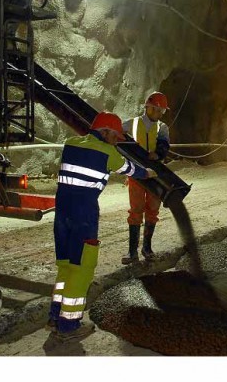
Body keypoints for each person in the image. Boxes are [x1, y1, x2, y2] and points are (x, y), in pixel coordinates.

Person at [47, 112, 152, 341]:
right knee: (81, 269)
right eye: (115, 135)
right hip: (84, 215)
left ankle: (55, 317)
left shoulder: (71, 143)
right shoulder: (108, 153)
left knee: (65, 267)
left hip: (62, 214)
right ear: (105, 131)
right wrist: (149, 172)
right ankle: (69, 326)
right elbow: (131, 170)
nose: (117, 140)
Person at [121, 91, 171, 264]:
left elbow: (164, 146)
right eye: (157, 110)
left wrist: (157, 154)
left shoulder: (162, 128)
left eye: (162, 112)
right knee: (136, 210)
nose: (159, 114)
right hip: (136, 174)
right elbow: (117, 135)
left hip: (155, 175)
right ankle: (132, 252)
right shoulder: (132, 124)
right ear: (148, 107)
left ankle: (147, 248)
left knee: (152, 211)